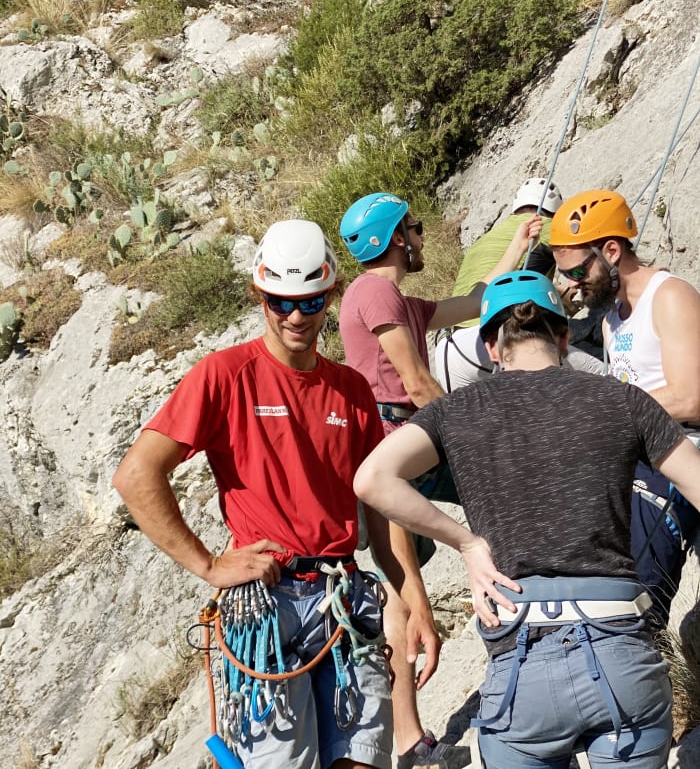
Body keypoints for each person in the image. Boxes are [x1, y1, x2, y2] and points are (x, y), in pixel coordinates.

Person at [112, 219, 441, 769]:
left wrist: (415, 602)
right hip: (268, 603)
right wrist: (209, 564)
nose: (295, 317)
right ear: (258, 294)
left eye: (310, 303)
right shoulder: (224, 375)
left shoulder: (352, 389)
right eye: (280, 301)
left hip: (343, 595)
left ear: (329, 296)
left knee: (361, 761)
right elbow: (136, 475)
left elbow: (382, 506)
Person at [354, 269, 700, 768]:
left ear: (492, 346)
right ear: (563, 337)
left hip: (521, 661)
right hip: (621, 652)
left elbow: (372, 479)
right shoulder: (624, 399)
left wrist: (467, 543)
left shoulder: (457, 409)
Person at [338, 192, 540, 769]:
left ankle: (409, 739)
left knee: (401, 594)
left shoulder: (392, 296)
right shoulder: (374, 291)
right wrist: (481, 435)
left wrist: (518, 248)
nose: (422, 237)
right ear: (397, 236)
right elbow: (417, 382)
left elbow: (471, 304)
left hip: (400, 439)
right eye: (416, 228)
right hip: (397, 440)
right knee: (412, 585)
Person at [549, 188, 700, 627]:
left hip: (678, 452)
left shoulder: (668, 295)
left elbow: (691, 395)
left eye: (578, 270)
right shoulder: (614, 315)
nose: (572, 284)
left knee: (641, 581)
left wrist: (608, 410)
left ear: (611, 250)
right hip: (641, 454)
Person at [434, 177, 603, 392]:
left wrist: (560, 291)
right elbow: (584, 250)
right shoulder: (542, 225)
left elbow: (507, 280)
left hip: (450, 348)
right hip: (493, 334)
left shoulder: (485, 239)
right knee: (599, 375)